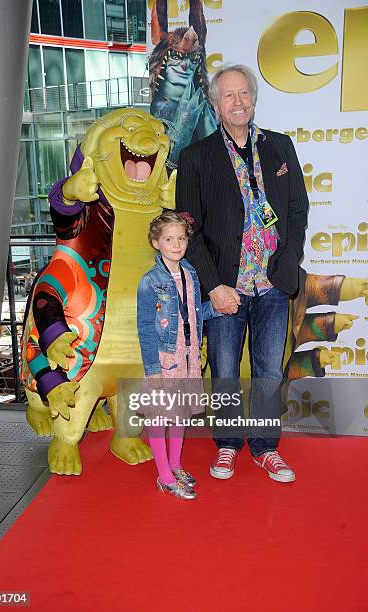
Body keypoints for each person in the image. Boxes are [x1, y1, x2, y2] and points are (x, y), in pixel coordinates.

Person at [176, 64, 309, 483]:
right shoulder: (196, 157)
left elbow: (296, 212)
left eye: (244, 94)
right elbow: (188, 226)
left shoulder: (280, 148)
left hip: (273, 284)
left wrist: (286, 270)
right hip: (225, 288)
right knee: (227, 369)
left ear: (253, 99)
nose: (238, 102)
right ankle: (229, 444)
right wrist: (213, 286)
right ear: (216, 106)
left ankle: (266, 448)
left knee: (269, 370)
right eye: (228, 96)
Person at [137, 210, 219, 499]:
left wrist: (218, 307)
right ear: (155, 242)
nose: (176, 244)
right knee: (160, 416)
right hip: (165, 359)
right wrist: (152, 369)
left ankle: (174, 464)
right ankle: (164, 475)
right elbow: (146, 327)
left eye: (181, 238)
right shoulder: (150, 281)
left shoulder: (191, 273)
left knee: (179, 414)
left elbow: (193, 316)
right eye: (169, 238)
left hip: (189, 356)